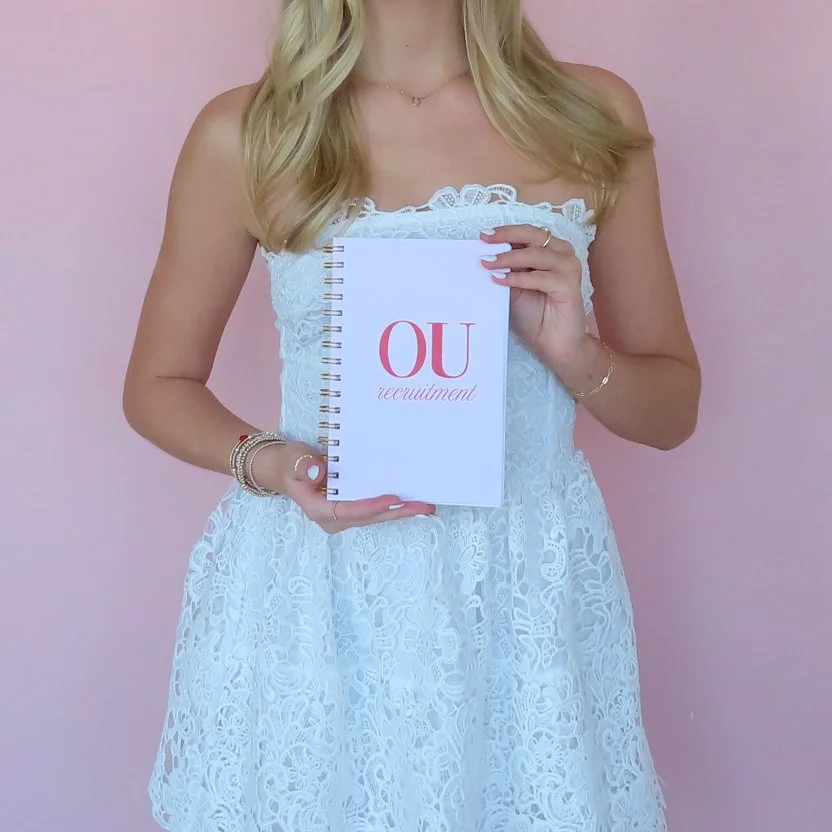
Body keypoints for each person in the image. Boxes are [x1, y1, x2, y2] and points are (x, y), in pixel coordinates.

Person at [123, 0, 701, 829]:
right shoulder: (250, 131)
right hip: (322, 592)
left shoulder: (591, 115)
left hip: (527, 592)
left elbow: (672, 412)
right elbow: (158, 382)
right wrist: (278, 466)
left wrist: (575, 353)